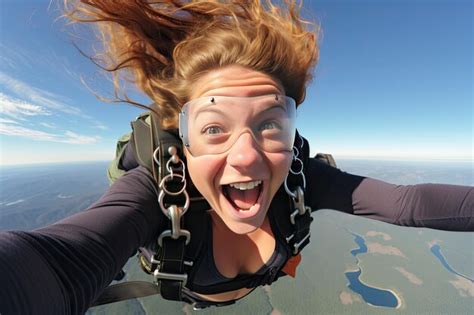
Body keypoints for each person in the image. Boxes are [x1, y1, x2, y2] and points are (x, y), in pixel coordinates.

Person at [0, 0, 472, 314]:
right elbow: (58, 263)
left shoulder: (301, 178)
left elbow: (408, 204)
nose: (245, 156)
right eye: (212, 129)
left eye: (269, 123)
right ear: (183, 142)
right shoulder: (155, 194)